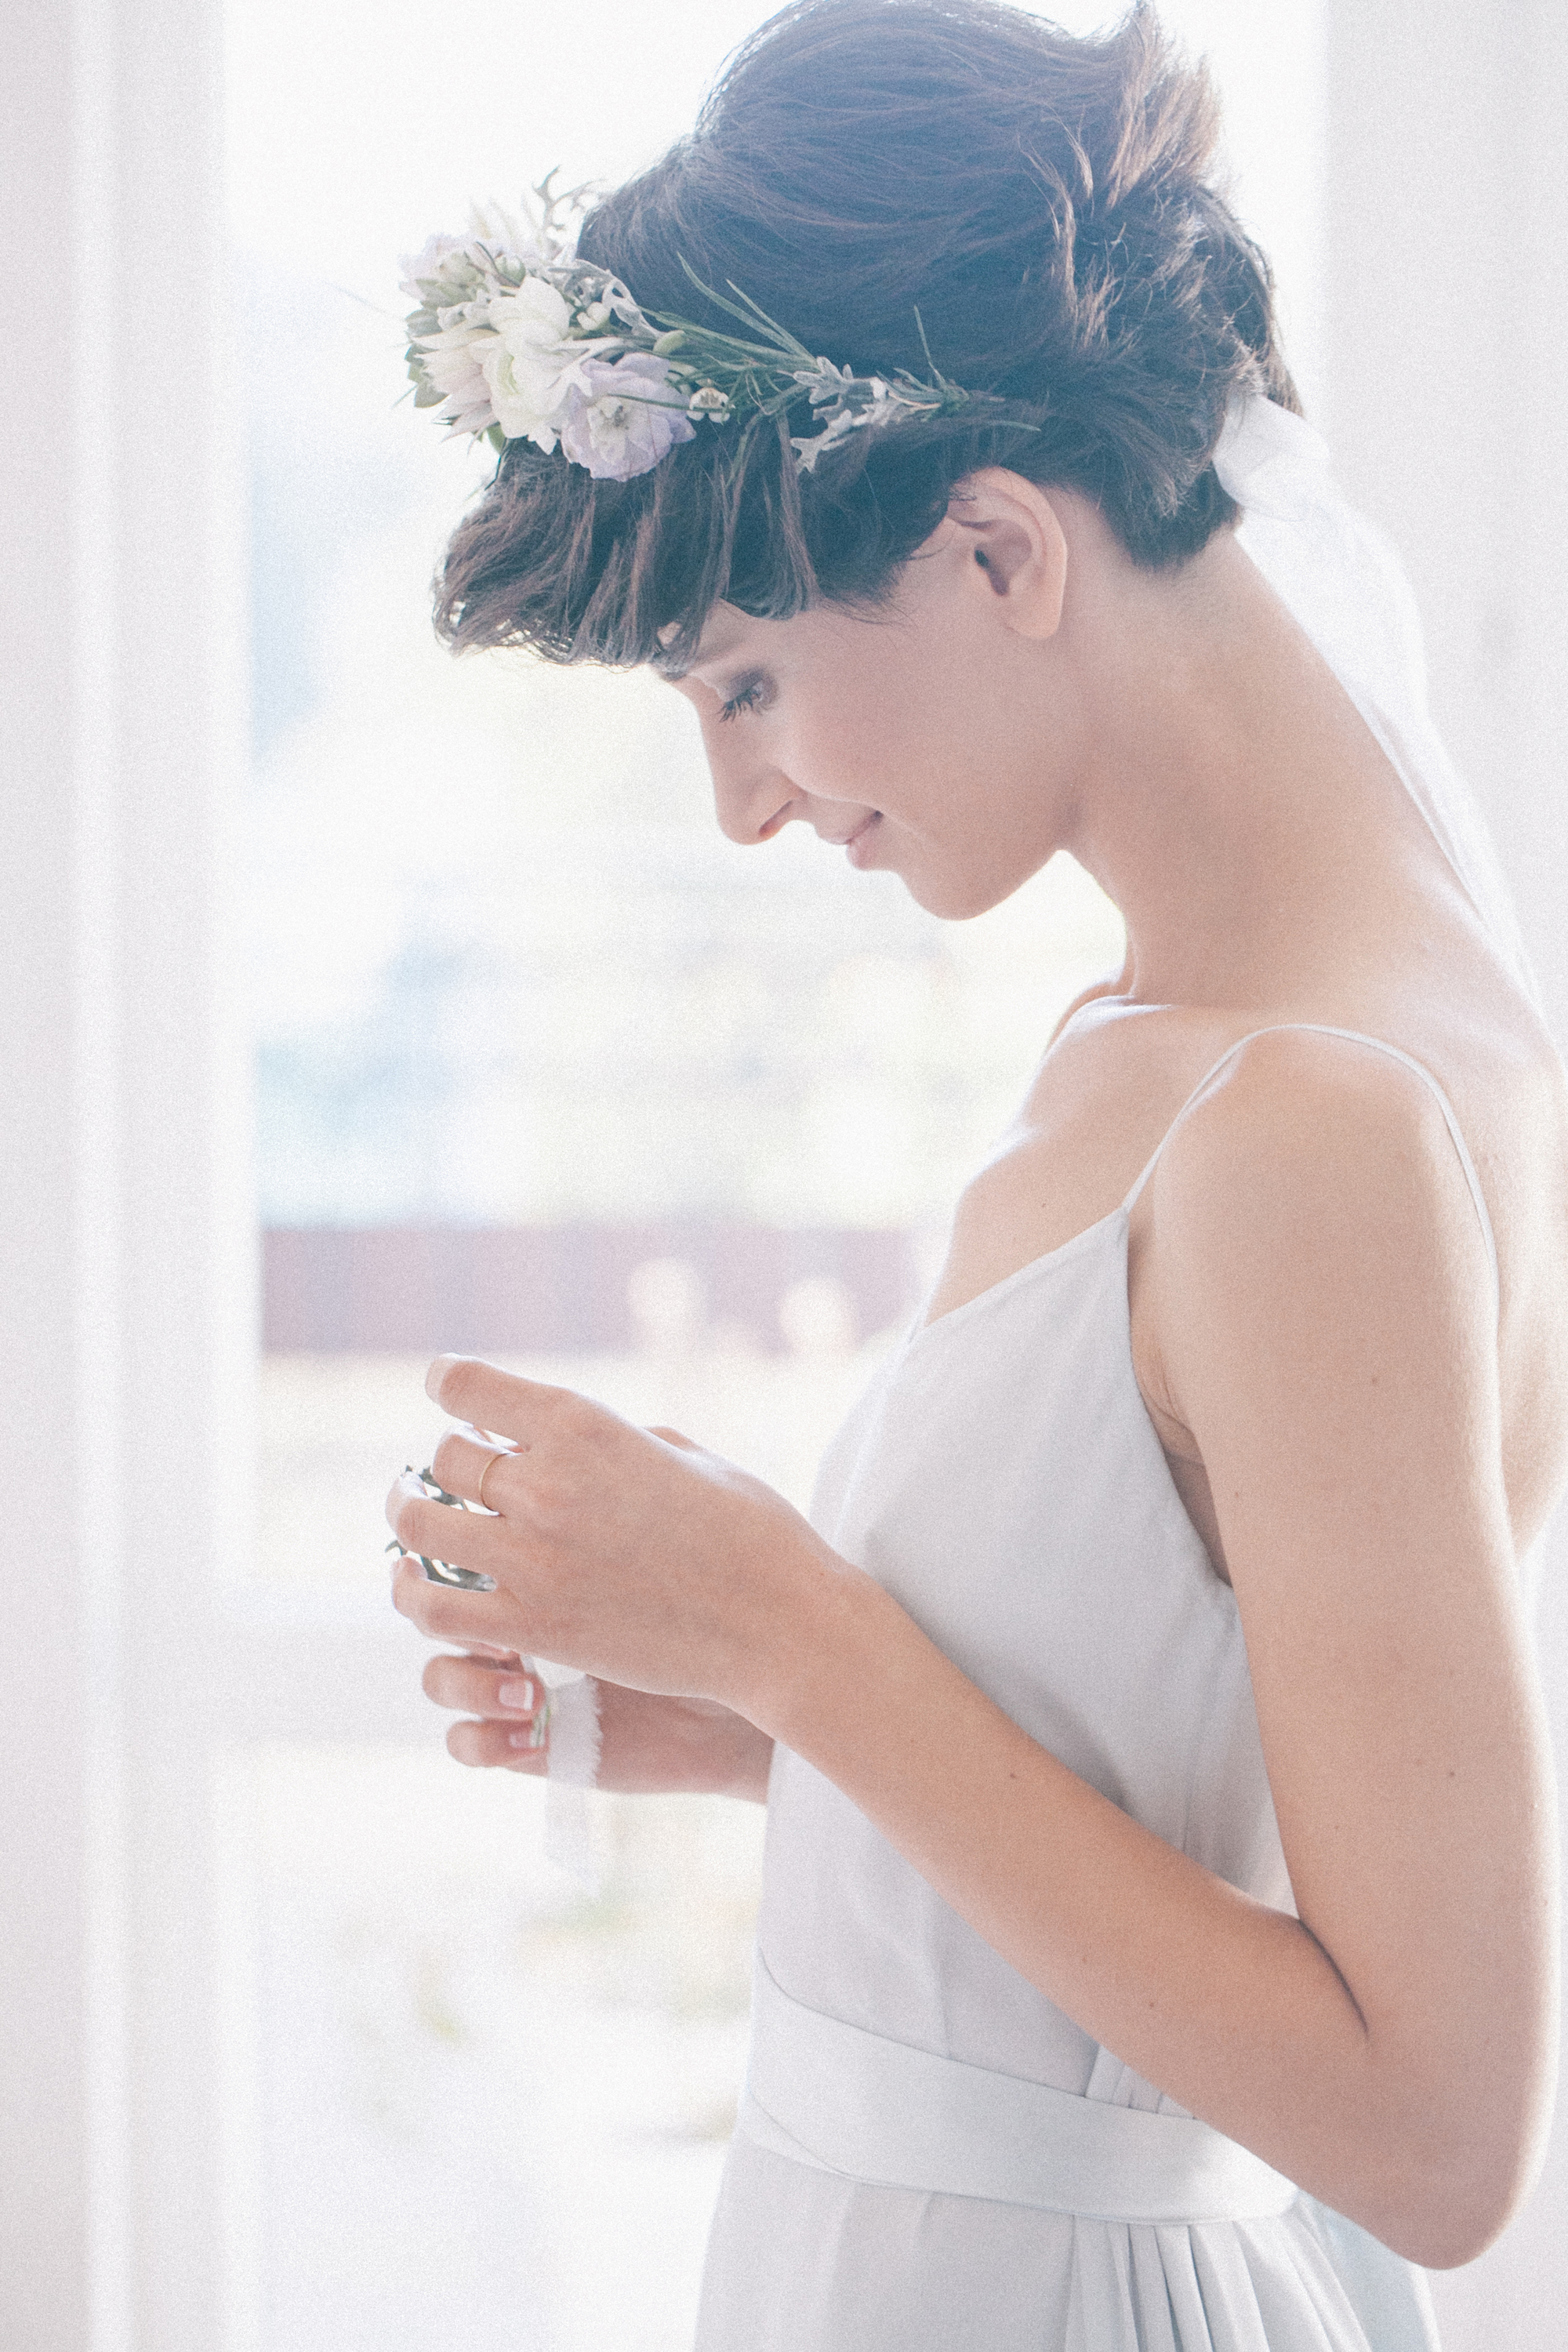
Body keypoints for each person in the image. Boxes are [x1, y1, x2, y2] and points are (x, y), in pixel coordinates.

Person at [384, 3, 1568, 2344]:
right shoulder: (1226, 1038)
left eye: (740, 685)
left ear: (1003, 548)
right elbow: (1203, 1773)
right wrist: (753, 1721)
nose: (741, 807)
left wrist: (789, 1631)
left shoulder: (1306, 1123)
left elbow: (1435, 2131)